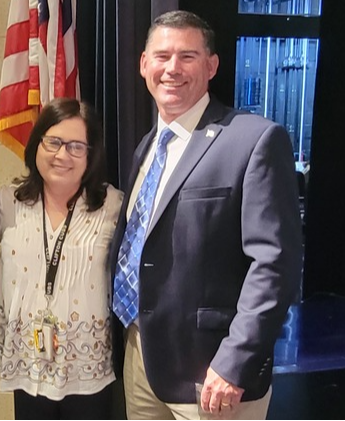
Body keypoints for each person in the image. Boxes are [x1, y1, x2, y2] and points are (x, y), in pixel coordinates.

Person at [109, 10, 303, 420]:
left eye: (188, 57)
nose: (172, 69)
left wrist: (235, 362)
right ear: (144, 64)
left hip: (213, 376)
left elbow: (275, 265)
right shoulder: (146, 147)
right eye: (161, 56)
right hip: (142, 359)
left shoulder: (254, 139)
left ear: (212, 66)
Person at [0, 98, 123, 420]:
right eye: (54, 142)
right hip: (30, 363)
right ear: (37, 144)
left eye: (77, 146)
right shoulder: (9, 203)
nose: (63, 155)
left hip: (88, 371)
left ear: (91, 155)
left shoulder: (113, 207)